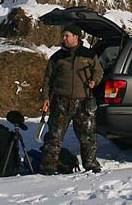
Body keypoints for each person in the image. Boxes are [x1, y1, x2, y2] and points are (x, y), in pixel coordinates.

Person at [40, 24, 103, 174]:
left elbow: (99, 71)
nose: (64, 39)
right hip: (61, 102)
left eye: (67, 36)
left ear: (76, 37)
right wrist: (45, 98)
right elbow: (48, 79)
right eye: (63, 36)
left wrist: (94, 80)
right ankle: (49, 166)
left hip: (83, 102)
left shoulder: (88, 55)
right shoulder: (57, 57)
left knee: (88, 136)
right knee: (54, 136)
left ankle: (91, 165)